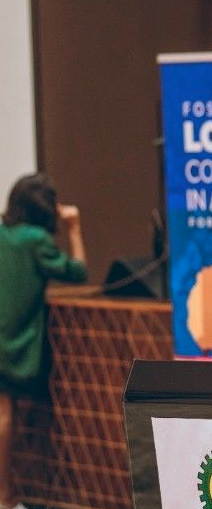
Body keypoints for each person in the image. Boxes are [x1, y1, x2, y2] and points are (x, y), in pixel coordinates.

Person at [0, 173, 88, 509]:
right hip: (14, 344)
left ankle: (7, 494)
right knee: (9, 416)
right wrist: (74, 229)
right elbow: (78, 272)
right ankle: (6, 497)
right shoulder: (36, 241)